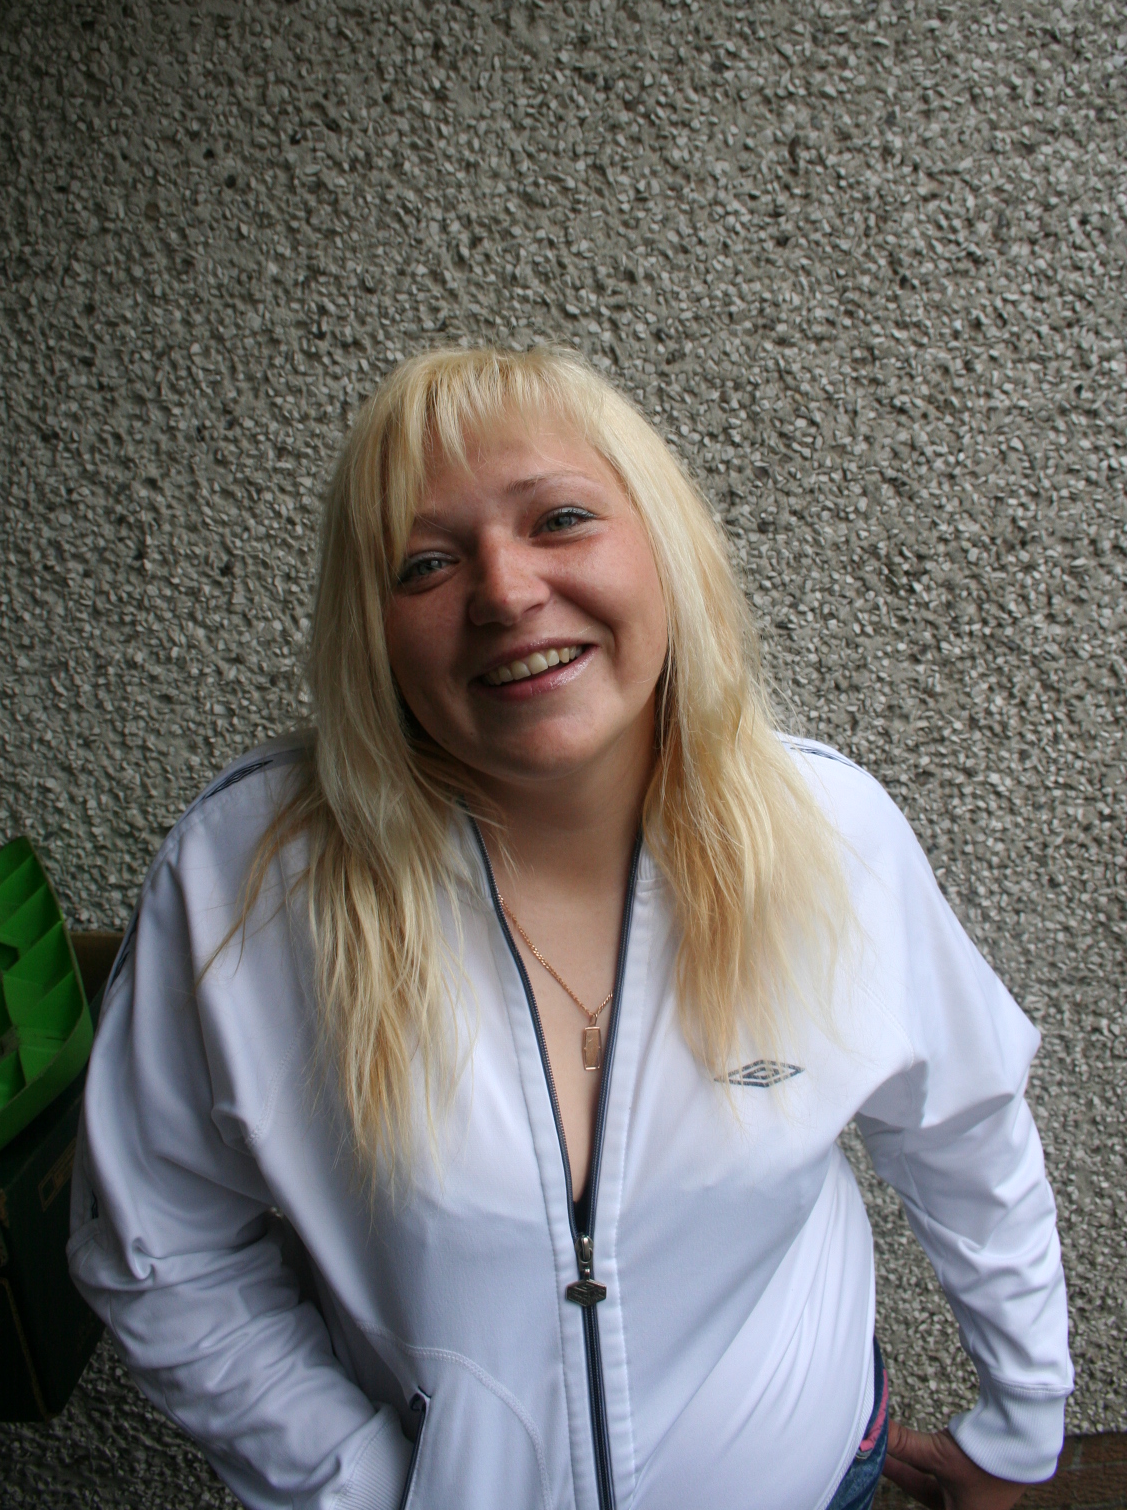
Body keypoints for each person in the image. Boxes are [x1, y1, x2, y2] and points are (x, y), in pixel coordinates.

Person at [69, 344, 1072, 1510]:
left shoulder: (831, 834)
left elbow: (965, 1128)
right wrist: (359, 1487)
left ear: (663, 546)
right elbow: (160, 1245)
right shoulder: (248, 883)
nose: (504, 593)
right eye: (425, 562)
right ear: (371, 631)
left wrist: (1022, 1420)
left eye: (560, 519)